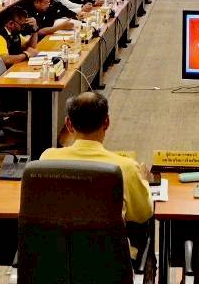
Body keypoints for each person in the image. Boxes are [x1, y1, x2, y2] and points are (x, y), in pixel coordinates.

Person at [40, 92, 152, 242]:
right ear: (106, 123)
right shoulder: (126, 167)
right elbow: (143, 214)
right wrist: (144, 182)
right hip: (108, 255)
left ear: (68, 124)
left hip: (54, 252)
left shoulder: (47, 159)